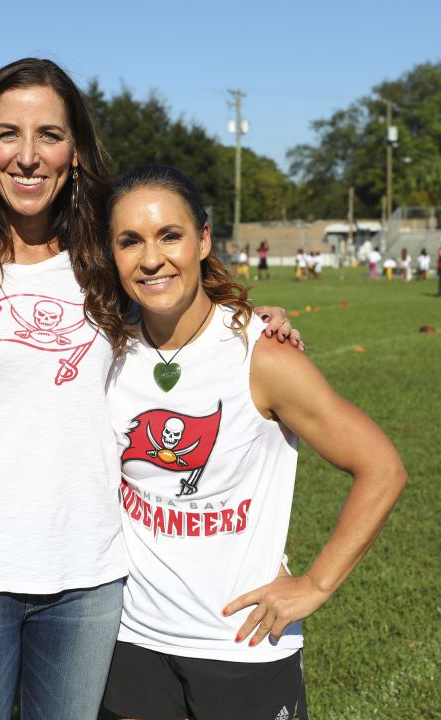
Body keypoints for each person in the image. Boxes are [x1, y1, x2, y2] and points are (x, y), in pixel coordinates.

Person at [0, 58, 299, 720]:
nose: (29, 156)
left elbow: (185, 316)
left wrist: (255, 321)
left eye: (50, 135)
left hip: (90, 581)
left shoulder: (103, 257)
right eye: (8, 133)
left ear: (76, 150)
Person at [102, 164, 406, 720]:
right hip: (131, 644)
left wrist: (315, 584)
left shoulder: (261, 354)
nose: (151, 258)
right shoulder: (104, 349)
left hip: (241, 647)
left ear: (203, 240)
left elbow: (381, 467)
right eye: (130, 241)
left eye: (170, 235)